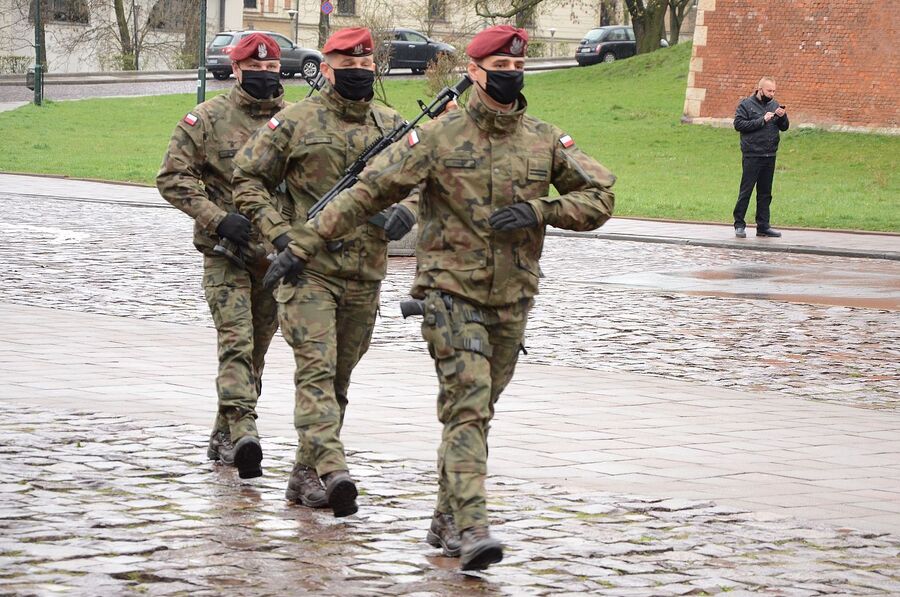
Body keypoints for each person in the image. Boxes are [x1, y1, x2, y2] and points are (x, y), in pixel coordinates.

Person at [264, 25, 616, 570]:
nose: (510, 78)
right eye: (498, 71)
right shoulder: (436, 138)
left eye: (515, 70)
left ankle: (447, 516)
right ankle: (472, 526)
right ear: (473, 74)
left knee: (477, 412)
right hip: (449, 295)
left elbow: (600, 196)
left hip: (513, 298)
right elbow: (366, 192)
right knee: (469, 406)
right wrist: (304, 243)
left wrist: (545, 211)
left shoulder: (544, 139)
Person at [232, 27, 418, 518]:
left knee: (337, 382)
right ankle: (334, 471)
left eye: (365, 67)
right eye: (347, 67)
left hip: (366, 272)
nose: (358, 74)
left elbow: (423, 176)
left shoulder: (392, 124)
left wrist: (411, 208)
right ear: (327, 69)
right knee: (314, 372)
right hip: (308, 271)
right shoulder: (295, 121)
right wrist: (278, 233)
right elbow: (247, 178)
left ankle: (303, 473)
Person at [156, 33, 286, 479]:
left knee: (256, 355)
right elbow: (172, 176)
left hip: (274, 259)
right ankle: (244, 431)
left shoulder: (295, 122)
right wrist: (216, 217)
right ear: (235, 70)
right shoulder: (207, 119)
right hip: (225, 253)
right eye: (255, 68)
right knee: (237, 342)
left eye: (272, 70)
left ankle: (223, 432)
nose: (265, 76)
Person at [733, 76, 789, 238]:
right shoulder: (746, 105)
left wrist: (782, 116)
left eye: (774, 91)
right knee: (746, 190)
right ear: (760, 89)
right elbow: (739, 125)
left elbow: (784, 127)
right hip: (752, 155)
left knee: (765, 193)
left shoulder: (774, 104)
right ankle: (739, 224)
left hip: (769, 155)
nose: (772, 94)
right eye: (769, 91)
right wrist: (762, 120)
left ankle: (763, 226)